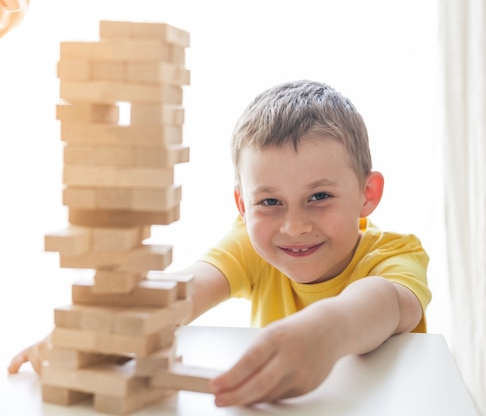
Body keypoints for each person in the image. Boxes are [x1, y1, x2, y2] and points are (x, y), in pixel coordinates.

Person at [8, 79, 431, 407]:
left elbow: (382, 303)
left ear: (367, 194)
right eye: (269, 201)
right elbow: (185, 290)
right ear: (242, 205)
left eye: (319, 197)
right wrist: (102, 329)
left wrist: (325, 333)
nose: (294, 226)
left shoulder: (396, 255)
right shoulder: (254, 244)